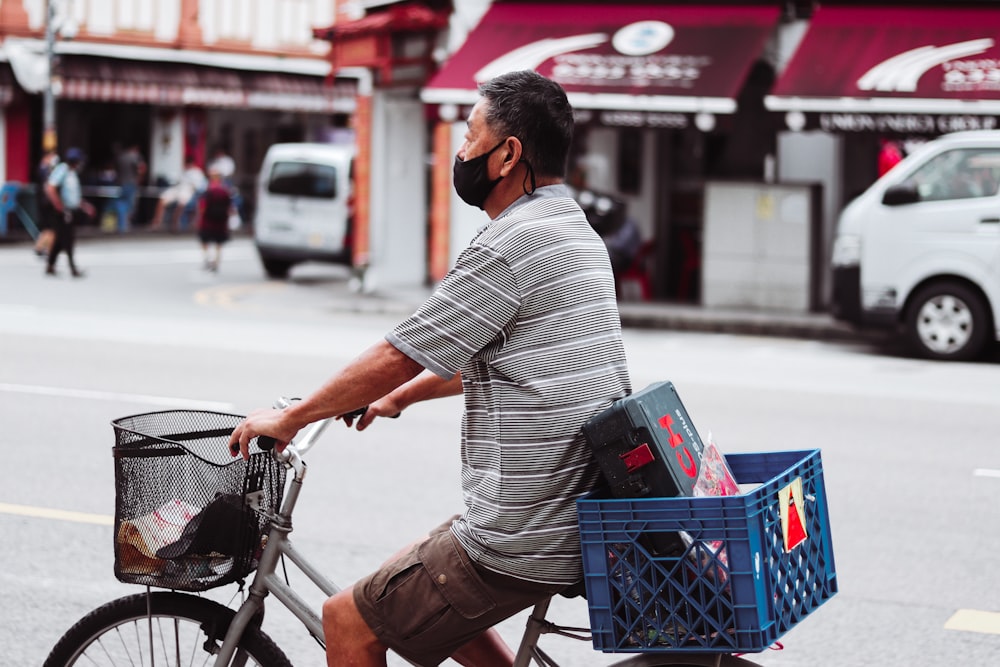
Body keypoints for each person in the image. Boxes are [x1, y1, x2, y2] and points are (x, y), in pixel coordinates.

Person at [229, 70, 632, 667]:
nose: (461, 152)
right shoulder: (572, 228)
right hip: (570, 510)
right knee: (433, 591)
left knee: (347, 623)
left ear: (507, 155)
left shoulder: (512, 242)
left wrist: (293, 417)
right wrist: (402, 398)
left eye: (470, 137)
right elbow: (506, 355)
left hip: (523, 531)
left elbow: (398, 352)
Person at [44, 147, 96, 278]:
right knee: (68, 239)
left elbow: (74, 196)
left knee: (60, 240)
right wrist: (59, 206)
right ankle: (73, 268)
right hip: (63, 211)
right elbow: (50, 188)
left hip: (71, 210)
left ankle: (50, 265)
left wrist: (85, 206)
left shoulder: (73, 174)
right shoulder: (62, 170)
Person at [151, 155, 207, 231]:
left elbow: (201, 186)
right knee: (162, 199)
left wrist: (194, 190)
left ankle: (175, 222)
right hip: (178, 188)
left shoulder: (197, 172)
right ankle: (157, 222)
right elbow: (177, 180)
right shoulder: (184, 171)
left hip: (188, 189)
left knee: (182, 202)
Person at [197, 168, 233, 272]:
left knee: (205, 240)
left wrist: (200, 216)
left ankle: (208, 258)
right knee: (218, 242)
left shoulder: (208, 189)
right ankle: (216, 261)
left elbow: (203, 206)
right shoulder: (225, 190)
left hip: (208, 220)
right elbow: (229, 206)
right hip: (221, 220)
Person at [33, 148, 60, 257]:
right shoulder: (44, 170)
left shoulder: (45, 169)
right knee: (51, 228)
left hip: (45, 202)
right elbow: (48, 187)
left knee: (48, 228)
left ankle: (40, 247)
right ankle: (48, 249)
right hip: (46, 202)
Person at [116, 142, 147, 228]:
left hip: (122, 183)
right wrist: (139, 178)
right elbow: (142, 168)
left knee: (121, 205)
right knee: (131, 206)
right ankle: (127, 225)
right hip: (131, 183)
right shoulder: (134, 156)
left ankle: (121, 226)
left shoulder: (121, 156)